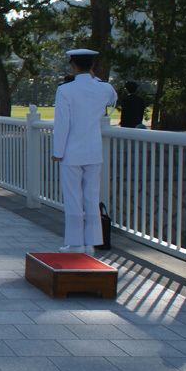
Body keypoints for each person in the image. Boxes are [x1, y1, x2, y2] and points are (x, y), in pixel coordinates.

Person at [52, 49, 117, 255]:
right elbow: (112, 100)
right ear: (93, 66)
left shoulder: (65, 90)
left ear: (73, 65)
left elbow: (62, 124)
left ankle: (75, 243)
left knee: (73, 198)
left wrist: (57, 151)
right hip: (93, 150)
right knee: (91, 197)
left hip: (71, 151)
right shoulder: (104, 88)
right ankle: (91, 243)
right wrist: (94, 78)